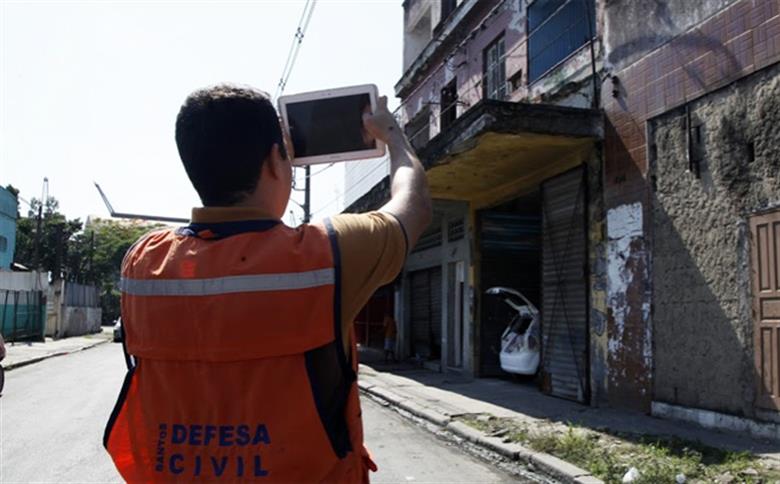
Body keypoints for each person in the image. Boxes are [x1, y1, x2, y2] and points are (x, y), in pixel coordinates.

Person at [103, 83, 431, 483]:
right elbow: (413, 206)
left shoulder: (142, 264)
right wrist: (392, 135)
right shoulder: (328, 255)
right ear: (277, 160)